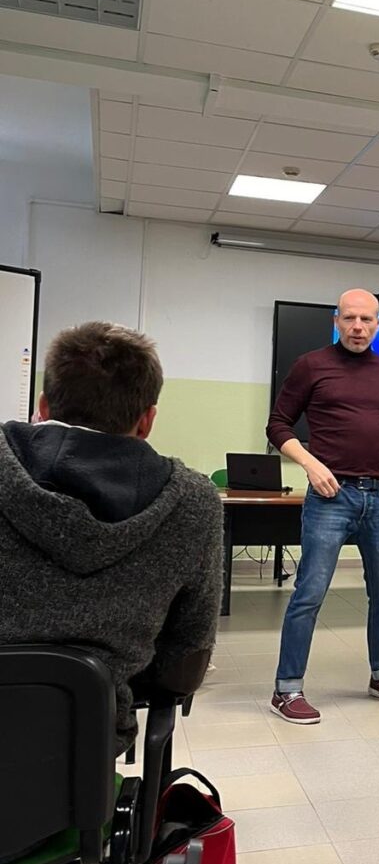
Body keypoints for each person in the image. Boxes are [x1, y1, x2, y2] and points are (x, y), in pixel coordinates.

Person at [0, 321, 222, 754]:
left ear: (43, 406)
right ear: (147, 421)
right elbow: (187, 655)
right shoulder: (193, 502)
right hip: (84, 743)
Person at [266, 288, 379, 723]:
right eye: (349, 318)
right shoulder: (311, 365)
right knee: (309, 593)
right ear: (336, 321)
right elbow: (277, 425)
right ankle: (287, 688)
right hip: (330, 496)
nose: (358, 327)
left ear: (377, 325)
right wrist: (311, 464)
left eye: (366, 320)